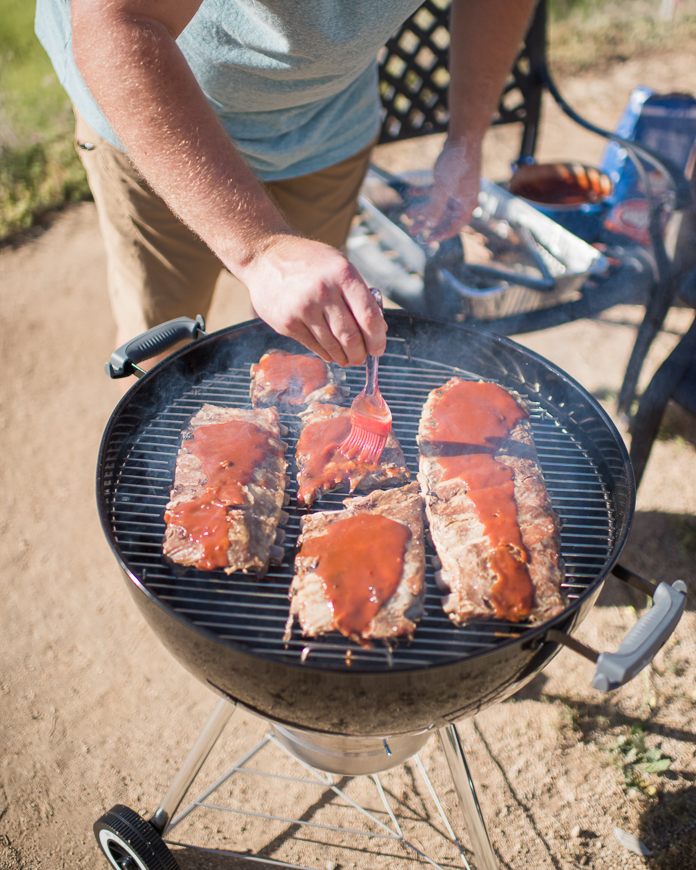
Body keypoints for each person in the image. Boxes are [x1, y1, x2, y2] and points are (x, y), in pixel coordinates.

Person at [35, 0, 538, 369]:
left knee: (309, 337)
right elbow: (117, 24)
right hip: (156, 122)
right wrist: (258, 251)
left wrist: (467, 138)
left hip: (329, 121)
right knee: (163, 341)